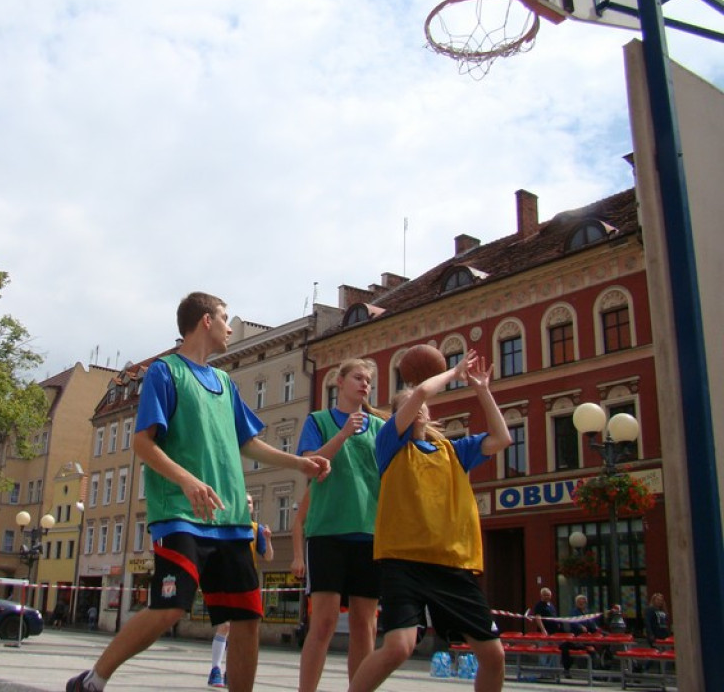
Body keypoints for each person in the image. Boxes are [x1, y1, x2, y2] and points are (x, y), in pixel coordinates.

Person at [67, 291, 330, 692]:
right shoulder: (165, 372)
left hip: (230, 522)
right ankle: (93, 680)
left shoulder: (225, 382)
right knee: (170, 608)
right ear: (206, 321)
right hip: (181, 515)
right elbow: (143, 442)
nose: (229, 326)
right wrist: (187, 480)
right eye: (224, 317)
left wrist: (299, 462)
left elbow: (248, 442)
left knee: (246, 619)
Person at [349, 351, 512, 692]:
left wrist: (482, 390)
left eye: (421, 403)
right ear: (400, 416)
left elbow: (502, 438)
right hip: (403, 561)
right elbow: (422, 392)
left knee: (493, 655)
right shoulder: (390, 444)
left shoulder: (454, 451)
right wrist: (453, 372)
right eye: (409, 403)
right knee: (398, 647)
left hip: (453, 562)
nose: (419, 404)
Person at [297, 358, 387, 692]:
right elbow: (310, 466)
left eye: (369, 381)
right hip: (327, 531)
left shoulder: (379, 427)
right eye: (359, 378)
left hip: (370, 532)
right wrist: (345, 433)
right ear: (339, 381)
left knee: (366, 625)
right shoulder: (318, 420)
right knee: (323, 623)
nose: (365, 384)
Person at [207, 493, 274, 688]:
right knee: (225, 626)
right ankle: (215, 670)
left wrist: (268, 540)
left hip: (246, 581)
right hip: (226, 577)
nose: (248, 505)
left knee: (241, 629)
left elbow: (268, 557)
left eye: (251, 502)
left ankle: (230, 672)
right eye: (244, 502)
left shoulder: (256, 529)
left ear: (253, 507)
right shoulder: (228, 524)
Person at [559, 593, 602, 677]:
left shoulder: (587, 612)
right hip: (576, 638)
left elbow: (592, 624)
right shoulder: (573, 612)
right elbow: (573, 622)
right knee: (566, 648)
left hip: (588, 638)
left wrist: (595, 628)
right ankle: (567, 670)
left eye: (583, 602)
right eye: (580, 602)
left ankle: (596, 671)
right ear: (576, 603)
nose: (582, 604)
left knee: (594, 651)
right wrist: (580, 626)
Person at [524, 587, 559, 671]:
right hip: (544, 632)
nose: (547, 597)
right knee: (543, 651)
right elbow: (538, 618)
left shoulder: (551, 605)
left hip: (553, 632)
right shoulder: (539, 605)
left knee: (555, 651)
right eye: (545, 595)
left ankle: (553, 669)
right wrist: (543, 630)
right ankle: (543, 670)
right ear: (541, 596)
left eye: (548, 595)